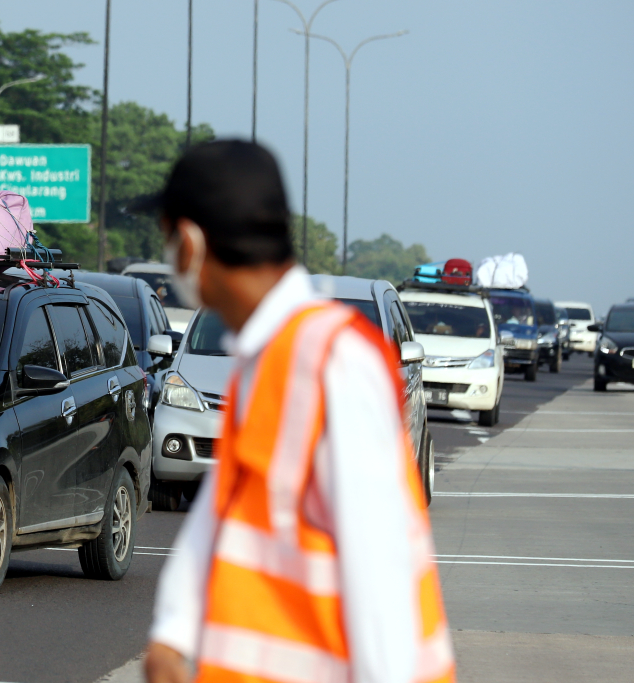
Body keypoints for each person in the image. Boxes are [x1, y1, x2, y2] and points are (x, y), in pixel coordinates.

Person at [140, 141, 455, 683]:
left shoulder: (329, 365)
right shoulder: (268, 361)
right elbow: (226, 514)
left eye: (169, 238)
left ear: (190, 243)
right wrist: (173, 634)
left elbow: (379, 571)